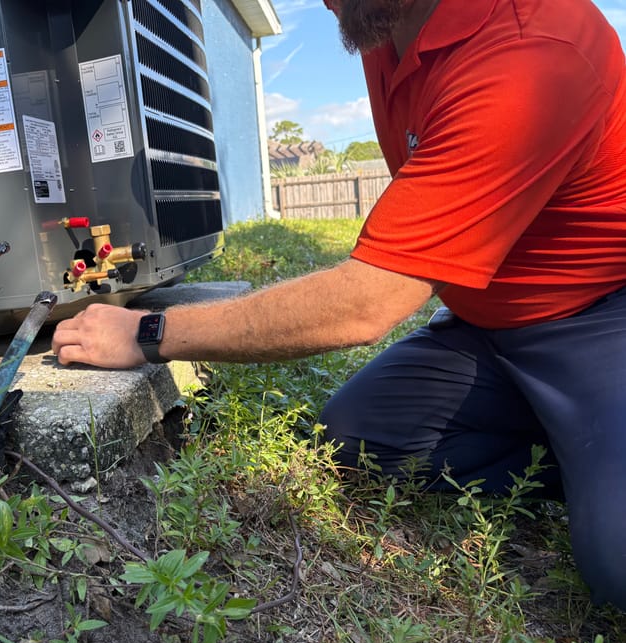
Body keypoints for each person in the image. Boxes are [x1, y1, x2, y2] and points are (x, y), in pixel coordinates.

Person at [52, 0, 626, 610]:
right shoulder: (390, 31)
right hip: (486, 325)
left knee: (616, 560)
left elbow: (370, 299)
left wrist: (148, 331)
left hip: (597, 316)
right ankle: (581, 449)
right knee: (356, 436)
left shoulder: (531, 51)